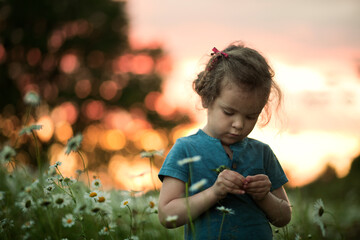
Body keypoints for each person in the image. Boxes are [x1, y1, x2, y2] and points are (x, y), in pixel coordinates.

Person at [158, 42, 292, 240]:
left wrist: (264, 197)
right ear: (206, 99)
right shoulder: (186, 149)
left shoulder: (262, 153)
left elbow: (284, 218)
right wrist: (214, 192)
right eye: (229, 112)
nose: (238, 124)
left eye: (250, 116)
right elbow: (167, 214)